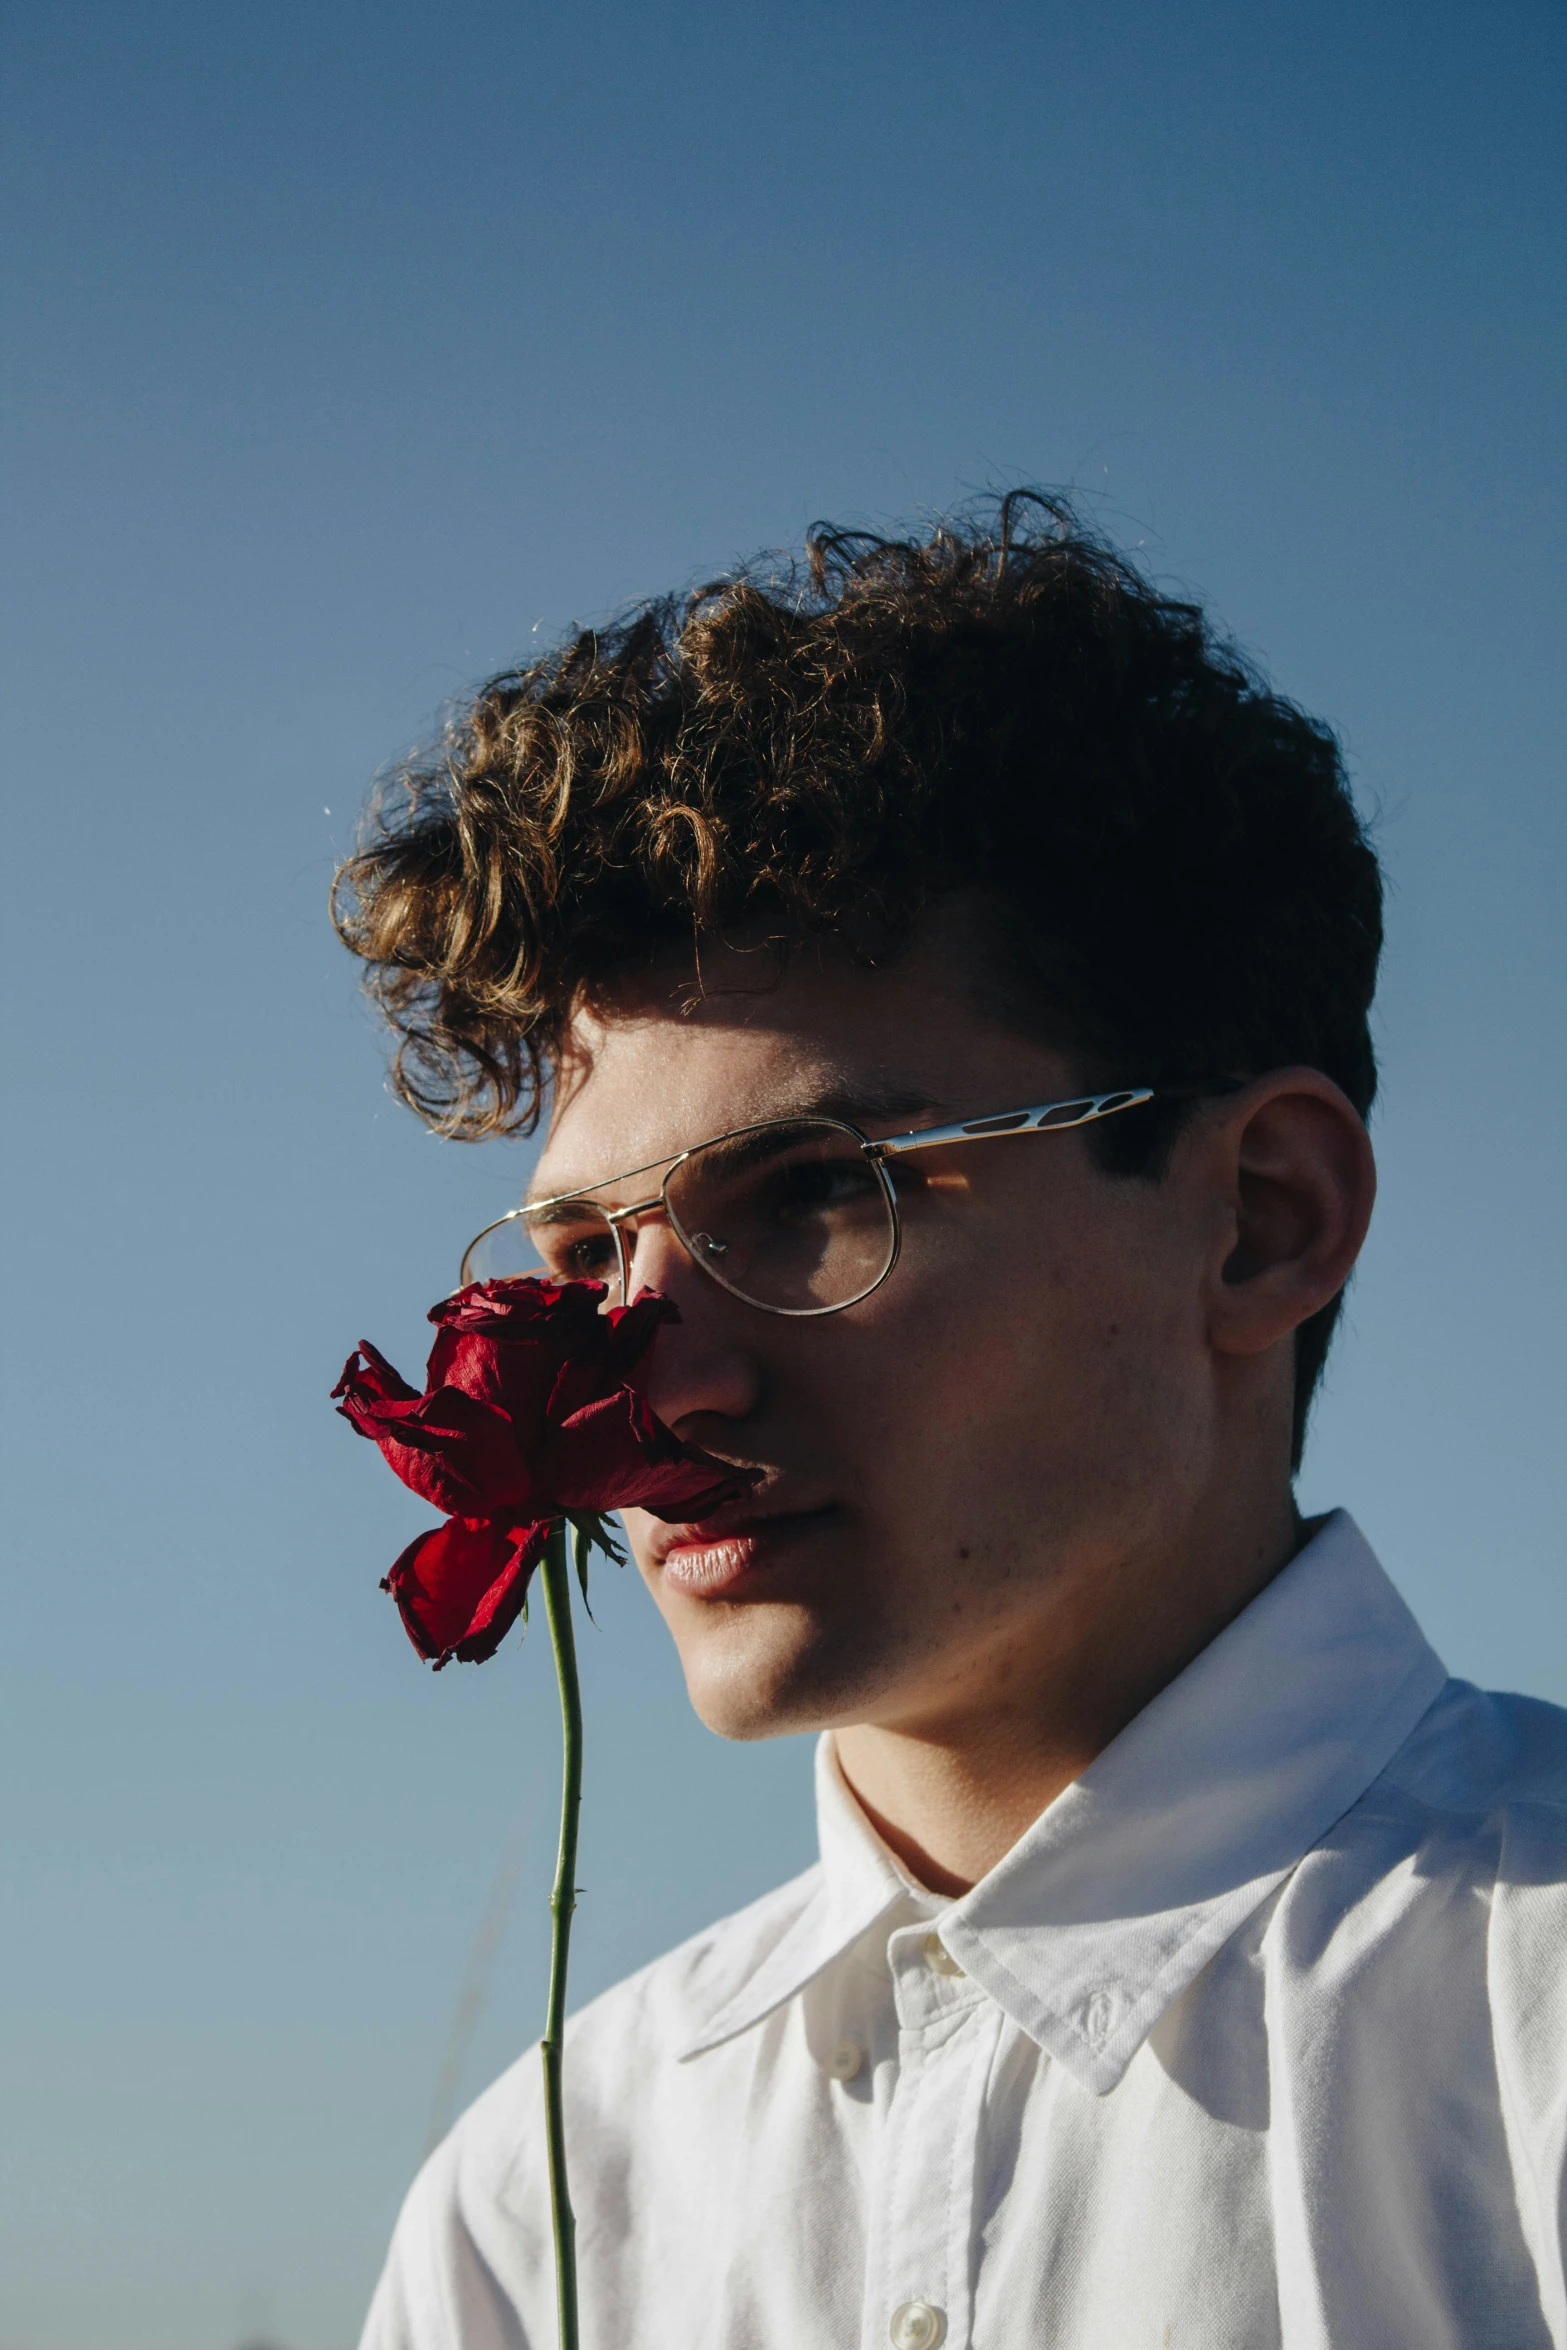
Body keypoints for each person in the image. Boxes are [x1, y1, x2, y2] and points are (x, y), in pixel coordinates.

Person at [336, 495, 1567, 2349]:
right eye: (588, 1250)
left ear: (1263, 1217)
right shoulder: (543, 2196)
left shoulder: (1523, 2019)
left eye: (818, 1190)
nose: (654, 1370)